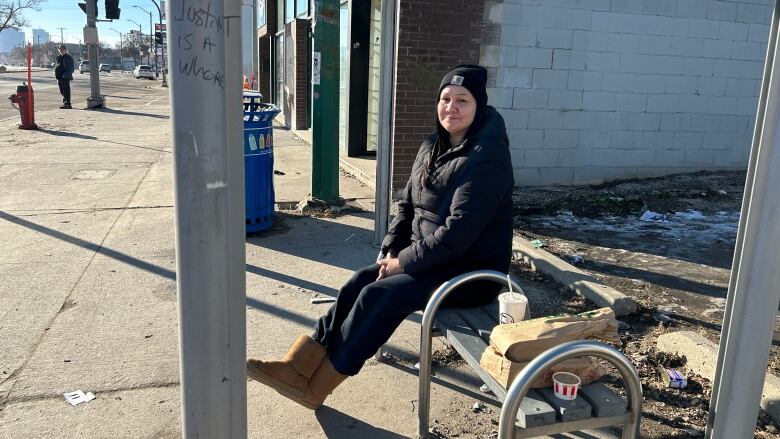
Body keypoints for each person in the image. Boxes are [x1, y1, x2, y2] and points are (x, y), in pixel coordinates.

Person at [247, 65, 515, 410]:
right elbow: (406, 204)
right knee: (360, 280)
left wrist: (402, 262)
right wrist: (391, 247)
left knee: (380, 296)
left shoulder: (488, 156)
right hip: (430, 260)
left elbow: (459, 234)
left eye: (463, 100)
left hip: (469, 272)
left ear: (479, 106)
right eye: (445, 99)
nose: (452, 107)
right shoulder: (433, 144)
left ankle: (316, 388)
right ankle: (298, 366)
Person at [54, 45, 74, 109]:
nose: (61, 51)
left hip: (65, 77)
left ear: (65, 50)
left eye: (62, 50)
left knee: (66, 90)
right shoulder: (58, 57)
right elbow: (58, 65)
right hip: (59, 77)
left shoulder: (68, 57)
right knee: (62, 90)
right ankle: (65, 101)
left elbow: (71, 69)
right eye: (60, 50)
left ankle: (68, 103)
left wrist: (65, 75)